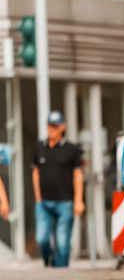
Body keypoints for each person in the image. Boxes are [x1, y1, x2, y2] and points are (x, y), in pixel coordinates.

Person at [32, 110, 85, 268]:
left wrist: (78, 201)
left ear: (62, 127)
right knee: (42, 238)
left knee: (62, 243)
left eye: (55, 126)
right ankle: (49, 262)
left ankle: (60, 275)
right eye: (49, 125)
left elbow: (78, 175)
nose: (51, 129)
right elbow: (35, 172)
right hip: (44, 203)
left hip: (65, 203)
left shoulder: (71, 149)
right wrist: (38, 198)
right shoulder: (39, 147)